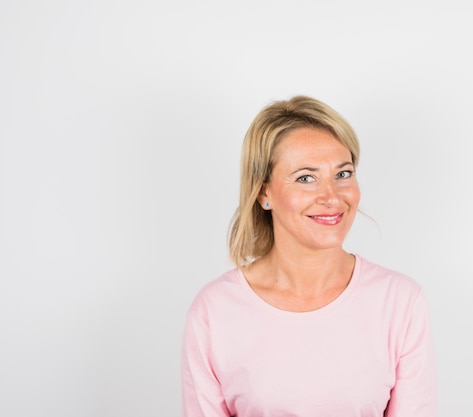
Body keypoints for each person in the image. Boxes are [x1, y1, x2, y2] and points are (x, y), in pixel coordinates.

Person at [181, 96, 437, 416]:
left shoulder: (400, 302)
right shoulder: (214, 310)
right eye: (306, 178)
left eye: (343, 174)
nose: (331, 197)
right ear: (264, 193)